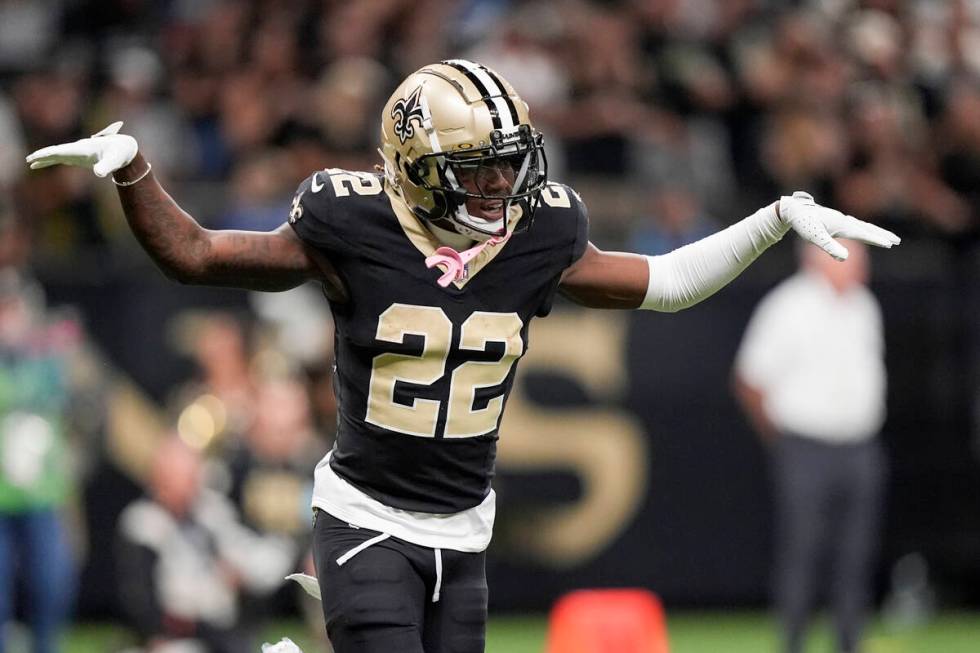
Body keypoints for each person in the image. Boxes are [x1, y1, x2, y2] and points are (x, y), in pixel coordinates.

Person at [26, 59, 900, 653]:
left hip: (465, 527)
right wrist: (135, 169)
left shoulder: (539, 233)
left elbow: (666, 282)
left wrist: (777, 216)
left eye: (508, 165)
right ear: (416, 168)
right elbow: (200, 255)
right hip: (367, 516)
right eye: (478, 170)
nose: (501, 187)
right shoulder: (352, 224)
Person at [733, 241, 888, 653]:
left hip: (860, 447)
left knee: (857, 554)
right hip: (806, 447)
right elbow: (750, 380)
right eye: (853, 260)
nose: (862, 269)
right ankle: (794, 642)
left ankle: (849, 642)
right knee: (802, 550)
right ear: (821, 260)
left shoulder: (864, 306)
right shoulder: (788, 307)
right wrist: (782, 440)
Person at [115, 436, 296, 653]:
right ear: (159, 478)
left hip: (227, 628)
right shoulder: (143, 525)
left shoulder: (211, 512)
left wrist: (240, 576)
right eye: (181, 477)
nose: (189, 485)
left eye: (193, 476)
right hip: (176, 635)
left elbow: (254, 559)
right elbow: (142, 603)